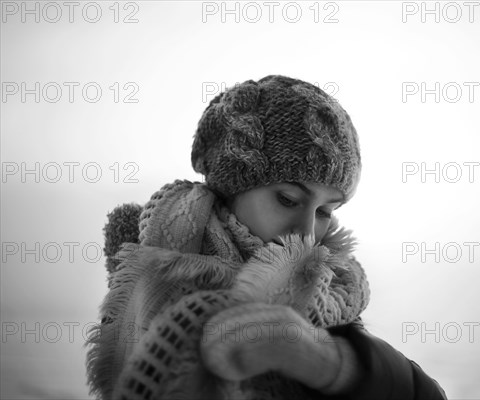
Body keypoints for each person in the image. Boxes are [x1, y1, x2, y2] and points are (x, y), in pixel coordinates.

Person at [86, 75, 447, 400]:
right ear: (232, 189)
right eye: (288, 199)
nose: (307, 232)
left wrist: (332, 364)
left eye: (325, 211)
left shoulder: (328, 291)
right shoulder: (150, 266)